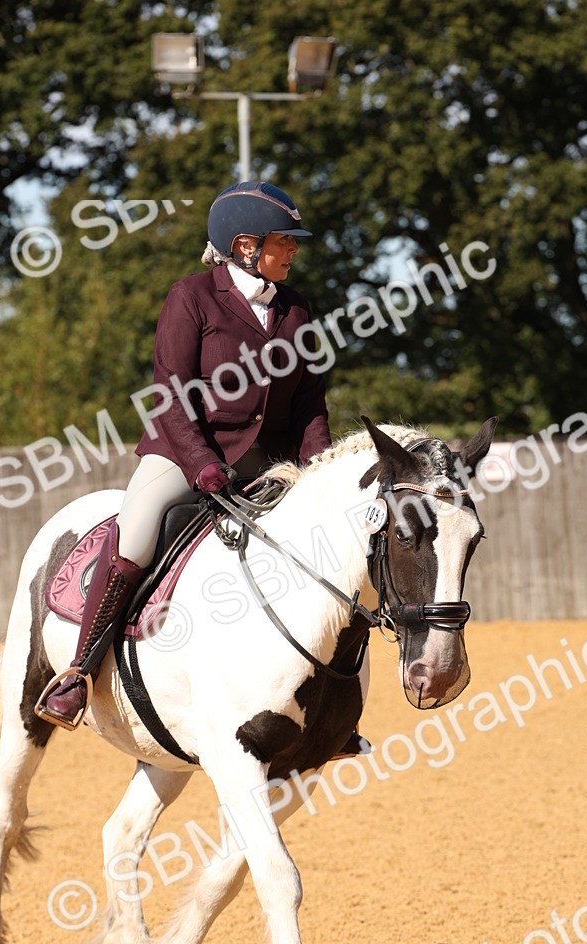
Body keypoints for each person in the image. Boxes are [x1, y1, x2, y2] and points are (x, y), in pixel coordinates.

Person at [37, 181, 367, 756]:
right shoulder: (191, 297)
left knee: (336, 548)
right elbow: (170, 393)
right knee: (136, 531)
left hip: (272, 462)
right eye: (284, 240)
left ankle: (328, 711)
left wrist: (319, 469)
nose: (293, 249)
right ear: (244, 245)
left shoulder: (296, 308)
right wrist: (201, 463)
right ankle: (79, 671)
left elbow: (311, 403)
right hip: (183, 451)